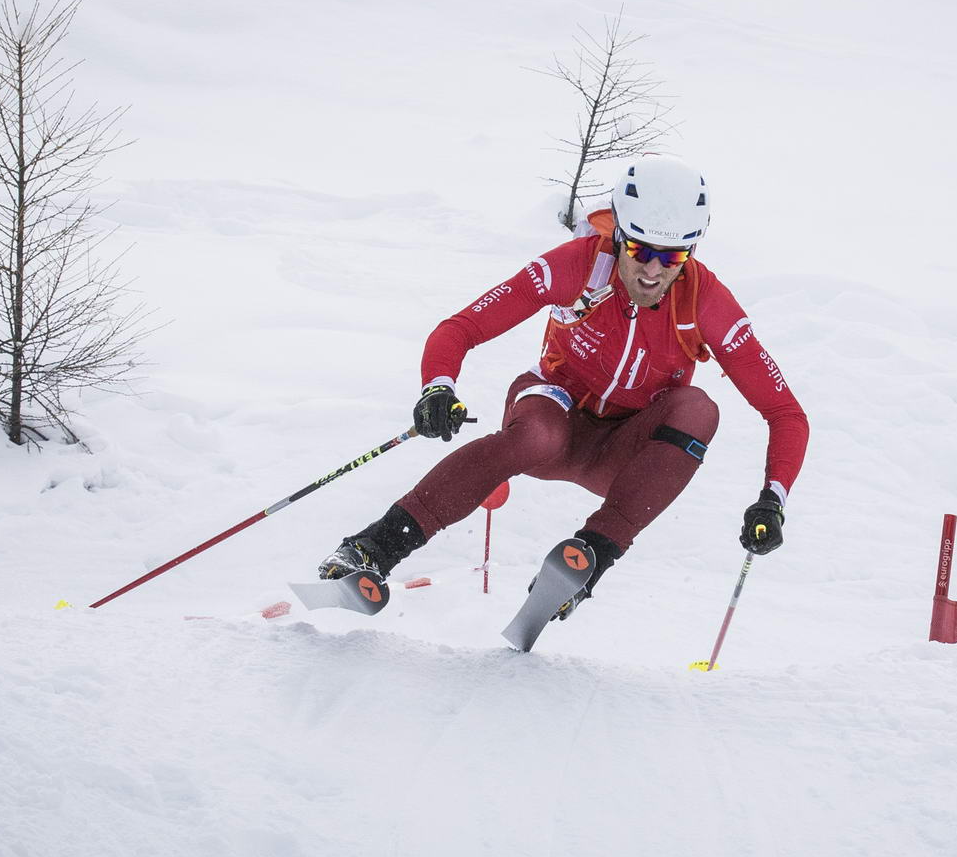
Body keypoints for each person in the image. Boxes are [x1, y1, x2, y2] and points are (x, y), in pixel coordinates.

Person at [318, 155, 808, 620]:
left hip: (624, 454)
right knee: (540, 434)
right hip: (553, 415)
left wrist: (774, 498)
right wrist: (437, 387)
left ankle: (586, 559)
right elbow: (461, 327)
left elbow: (786, 413)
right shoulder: (577, 265)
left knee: (698, 408)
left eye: (673, 255)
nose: (654, 270)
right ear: (617, 235)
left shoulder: (707, 302)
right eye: (639, 250)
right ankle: (372, 548)